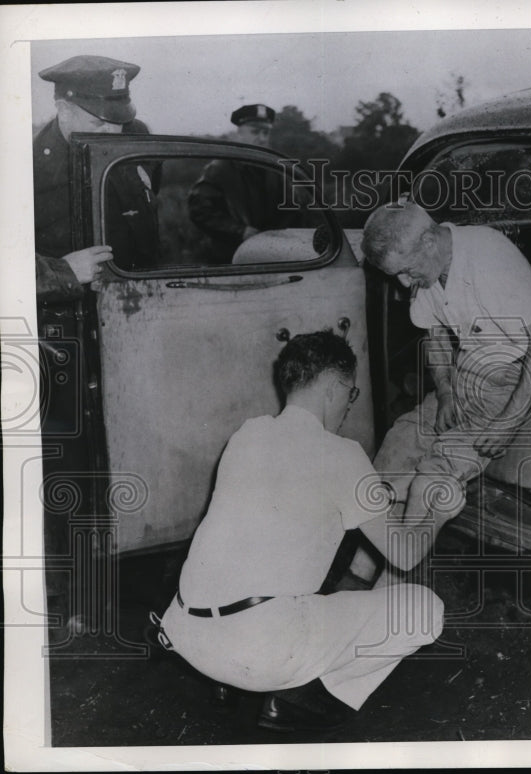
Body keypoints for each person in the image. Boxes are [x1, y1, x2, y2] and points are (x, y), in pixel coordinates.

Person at [157, 330, 450, 732]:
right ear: (334, 388)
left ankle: (227, 683)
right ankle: (300, 699)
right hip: (261, 650)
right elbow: (404, 554)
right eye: (352, 394)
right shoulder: (344, 454)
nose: (350, 405)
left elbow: (304, 494)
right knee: (425, 610)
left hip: (187, 633)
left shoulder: (249, 434)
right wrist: (439, 511)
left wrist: (381, 491)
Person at [360, 201, 531, 538]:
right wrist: (445, 391)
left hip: (514, 378)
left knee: (434, 471)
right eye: (397, 275)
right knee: (398, 443)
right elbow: (434, 331)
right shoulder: (428, 268)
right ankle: (361, 571)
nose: (405, 281)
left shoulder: (489, 256)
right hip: (465, 376)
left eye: (407, 270)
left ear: (429, 241)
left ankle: (397, 574)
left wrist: (508, 422)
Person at [33, 55, 159, 302]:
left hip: (138, 297)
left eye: (120, 120)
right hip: (72, 310)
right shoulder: (29, 166)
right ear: (64, 110)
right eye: (99, 121)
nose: (113, 132)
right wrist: (61, 272)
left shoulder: (138, 136)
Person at [187, 103, 299, 263]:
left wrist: (274, 235)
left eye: (266, 132)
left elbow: (292, 210)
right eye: (255, 131)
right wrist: (239, 231)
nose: (261, 138)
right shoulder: (220, 169)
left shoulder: (277, 170)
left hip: (273, 256)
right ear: (239, 134)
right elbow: (199, 210)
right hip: (231, 259)